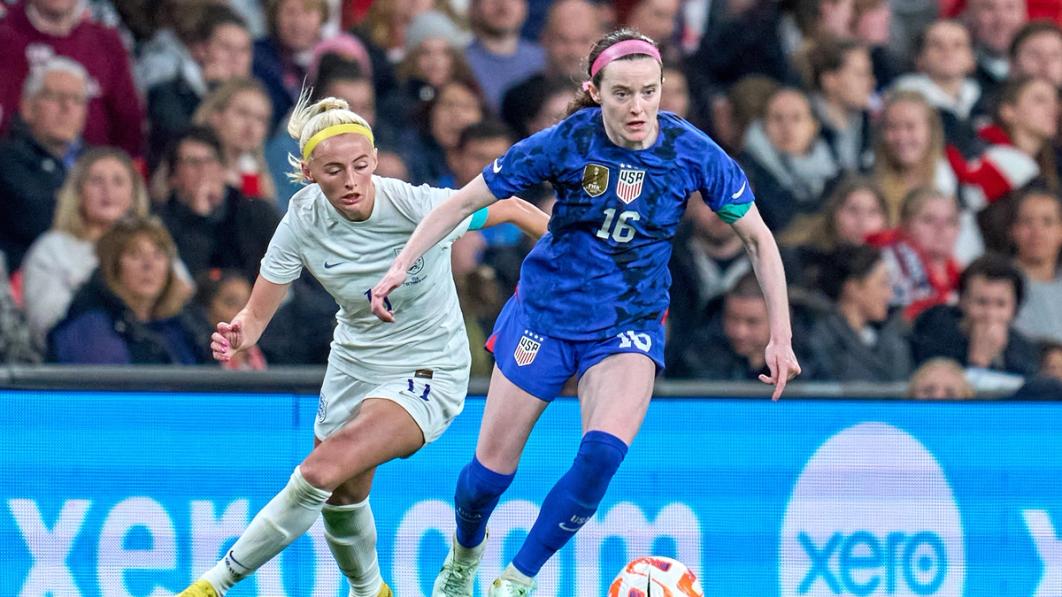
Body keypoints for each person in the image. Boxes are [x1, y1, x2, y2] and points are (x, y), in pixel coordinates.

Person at [369, 29, 800, 596]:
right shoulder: (564, 142)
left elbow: (758, 239)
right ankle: (463, 554)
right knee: (486, 479)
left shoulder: (692, 151)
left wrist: (781, 335)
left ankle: (516, 581)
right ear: (595, 91)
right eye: (622, 93)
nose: (638, 107)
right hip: (545, 316)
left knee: (600, 456)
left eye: (649, 91)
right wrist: (403, 263)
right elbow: (467, 200)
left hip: (629, 323)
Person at [176, 92, 549, 597]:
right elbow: (258, 314)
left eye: (359, 166)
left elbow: (507, 206)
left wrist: (576, 258)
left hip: (429, 366)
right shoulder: (302, 219)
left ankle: (211, 586)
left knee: (319, 471)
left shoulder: (414, 205)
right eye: (333, 170)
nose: (350, 181)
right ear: (309, 172)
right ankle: (370, 590)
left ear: (374, 160)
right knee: (342, 495)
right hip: (354, 364)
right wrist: (241, 331)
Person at [21, 147, 152, 347]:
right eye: (96, 181)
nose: (107, 190)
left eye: (118, 181)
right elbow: (44, 323)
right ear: (78, 193)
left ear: (133, 195)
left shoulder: (155, 249)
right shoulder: (52, 249)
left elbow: (180, 302)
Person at [48, 216, 204, 365]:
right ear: (112, 267)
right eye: (135, 255)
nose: (149, 265)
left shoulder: (183, 323)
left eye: (158, 255)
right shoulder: (90, 326)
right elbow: (111, 387)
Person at [0, 55, 89, 271]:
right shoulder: (6, 159)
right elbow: (38, 217)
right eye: (55, 96)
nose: (67, 106)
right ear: (28, 107)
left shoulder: (99, 162)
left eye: (76, 99)